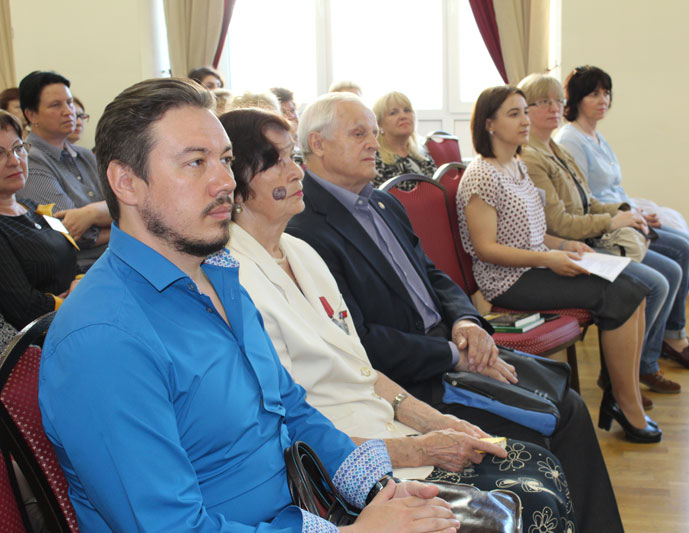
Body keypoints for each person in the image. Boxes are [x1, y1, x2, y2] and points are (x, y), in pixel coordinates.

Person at [38, 78, 460, 533]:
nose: (225, 181)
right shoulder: (103, 338)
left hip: (303, 512)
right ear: (127, 182)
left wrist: (379, 489)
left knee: (502, 508)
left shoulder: (220, 277)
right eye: (195, 162)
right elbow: (171, 527)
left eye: (225, 160)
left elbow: (292, 411)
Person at [221, 107, 575, 531]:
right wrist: (423, 448)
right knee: (529, 498)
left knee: (541, 466)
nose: (297, 172)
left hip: (382, 422)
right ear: (235, 185)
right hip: (341, 462)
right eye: (276, 162)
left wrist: (438, 423)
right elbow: (289, 426)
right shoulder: (233, 280)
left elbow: (362, 367)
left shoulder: (300, 252)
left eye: (292, 158)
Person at [287, 91, 626, 533]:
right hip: (413, 378)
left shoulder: (382, 203)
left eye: (373, 132)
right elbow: (362, 343)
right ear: (317, 143)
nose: (374, 143)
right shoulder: (306, 228)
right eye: (358, 134)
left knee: (567, 404)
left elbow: (435, 275)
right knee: (550, 425)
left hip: (451, 349)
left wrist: (467, 321)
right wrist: (453, 355)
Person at [456, 85, 658, 443]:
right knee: (620, 294)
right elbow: (487, 249)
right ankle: (626, 404)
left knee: (634, 288)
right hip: (509, 281)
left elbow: (532, 232)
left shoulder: (516, 165)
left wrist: (565, 246)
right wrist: (549, 258)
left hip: (536, 265)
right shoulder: (482, 175)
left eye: (524, 111)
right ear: (489, 124)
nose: (525, 120)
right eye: (514, 114)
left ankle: (621, 393)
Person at [517, 73, 689, 395]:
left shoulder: (555, 148)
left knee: (671, 269)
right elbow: (560, 224)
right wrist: (612, 223)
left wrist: (624, 212)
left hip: (586, 238)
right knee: (656, 283)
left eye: (557, 101)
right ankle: (620, 377)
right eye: (543, 102)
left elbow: (588, 200)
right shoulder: (531, 156)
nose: (554, 108)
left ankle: (634, 367)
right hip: (569, 247)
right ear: (525, 110)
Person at [556, 65, 689, 370]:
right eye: (594, 94)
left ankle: (669, 335)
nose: (603, 100)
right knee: (679, 254)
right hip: (604, 230)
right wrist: (627, 215)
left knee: (688, 246)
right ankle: (660, 347)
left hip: (622, 214)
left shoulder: (596, 136)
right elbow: (583, 200)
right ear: (576, 99)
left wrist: (637, 212)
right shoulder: (570, 140)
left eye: (606, 93)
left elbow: (614, 189)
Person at [17, 71, 110, 270]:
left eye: (69, 103)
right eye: (55, 105)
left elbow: (129, 205)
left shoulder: (85, 155)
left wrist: (92, 213)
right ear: (31, 115)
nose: (69, 111)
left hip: (114, 256)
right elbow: (74, 233)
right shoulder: (30, 160)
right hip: (81, 269)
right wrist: (125, 226)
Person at [0, 110, 79, 333]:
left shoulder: (35, 208)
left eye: (18, 148)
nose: (14, 161)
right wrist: (78, 302)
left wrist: (80, 284)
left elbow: (73, 260)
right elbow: (26, 309)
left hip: (78, 316)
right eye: (0, 154)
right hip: (45, 339)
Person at [372, 91, 437, 190]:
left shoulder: (422, 154)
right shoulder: (373, 159)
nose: (403, 116)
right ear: (379, 123)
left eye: (407, 110)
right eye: (393, 113)